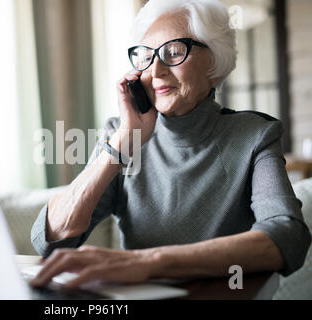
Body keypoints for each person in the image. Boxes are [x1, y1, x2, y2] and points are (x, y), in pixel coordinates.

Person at [29, 0, 311, 289]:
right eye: (146, 56)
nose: (156, 70)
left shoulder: (254, 135)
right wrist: (123, 142)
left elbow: (287, 236)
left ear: (214, 62)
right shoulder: (121, 135)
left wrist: (149, 263)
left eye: (174, 52)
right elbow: (50, 239)